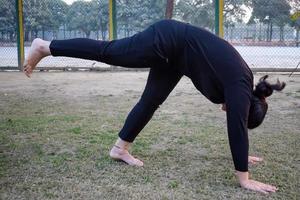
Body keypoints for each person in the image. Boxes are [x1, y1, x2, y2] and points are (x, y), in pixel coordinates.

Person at [23, 20, 285, 194]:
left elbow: (239, 124)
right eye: (239, 114)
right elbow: (237, 127)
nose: (229, 112)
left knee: (151, 101)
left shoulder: (241, 85)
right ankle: (46, 46)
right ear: (245, 106)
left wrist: (243, 152)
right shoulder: (240, 85)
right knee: (110, 51)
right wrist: (244, 178)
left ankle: (120, 148)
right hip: (167, 40)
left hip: (176, 57)